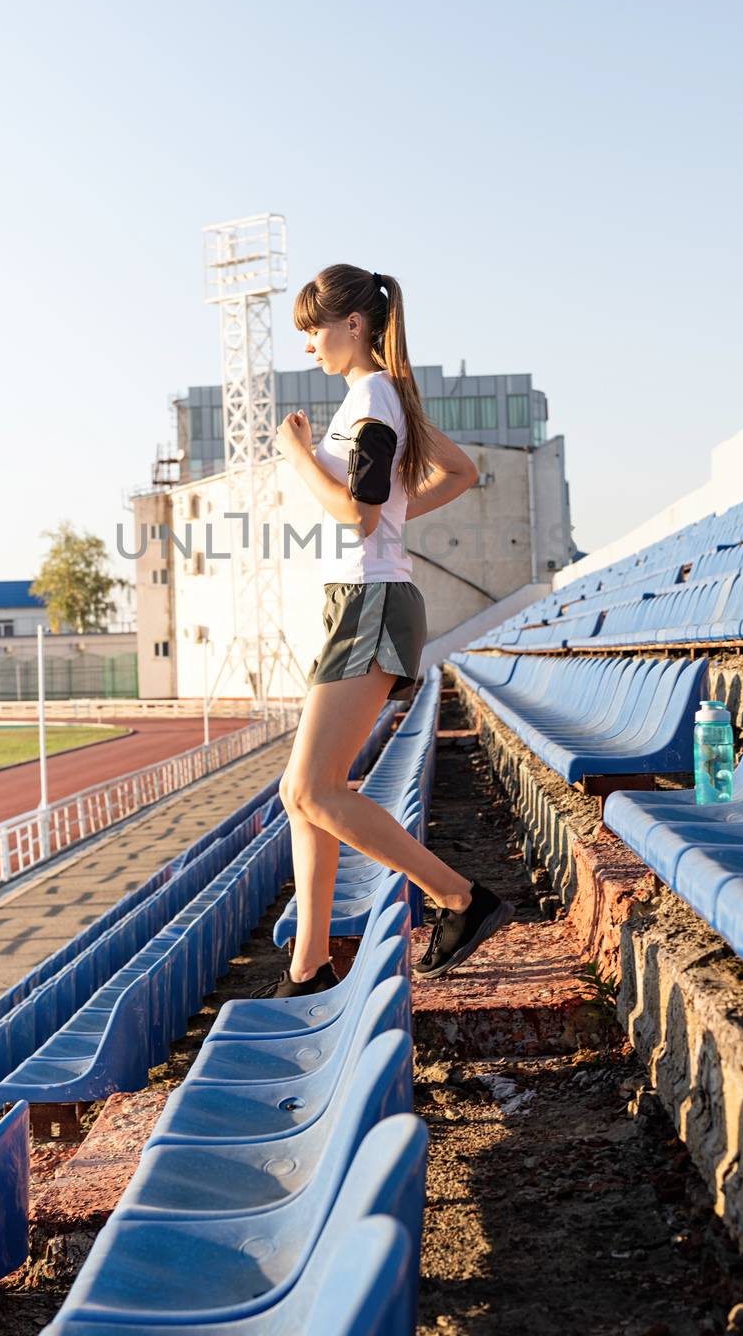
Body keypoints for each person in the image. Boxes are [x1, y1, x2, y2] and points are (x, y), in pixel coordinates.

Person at [254, 263, 513, 999]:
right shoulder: (382, 397)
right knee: (298, 790)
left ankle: (462, 899)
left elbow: (356, 515)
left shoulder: (371, 398)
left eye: (315, 330)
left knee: (311, 789)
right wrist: (392, 522)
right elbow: (458, 471)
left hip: (369, 600)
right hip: (362, 597)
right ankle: (307, 967)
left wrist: (299, 457)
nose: (309, 345)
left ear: (355, 326)